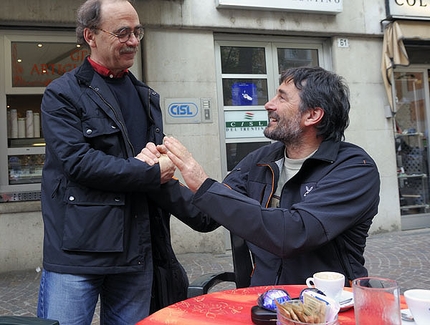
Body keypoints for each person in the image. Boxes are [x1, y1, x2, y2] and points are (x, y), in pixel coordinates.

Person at [37, 0, 218, 324]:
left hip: (135, 253)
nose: (133, 41)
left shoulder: (146, 96)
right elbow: (79, 163)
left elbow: (157, 178)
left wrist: (212, 207)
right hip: (77, 253)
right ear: (91, 35)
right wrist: (148, 170)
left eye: (137, 32)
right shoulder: (61, 94)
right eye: (122, 32)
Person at [145, 66, 380, 287]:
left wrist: (203, 183)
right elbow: (205, 216)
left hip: (329, 303)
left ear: (312, 115)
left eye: (282, 97)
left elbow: (293, 234)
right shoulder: (262, 159)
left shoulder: (354, 169)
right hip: (264, 300)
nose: (269, 105)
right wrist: (157, 177)